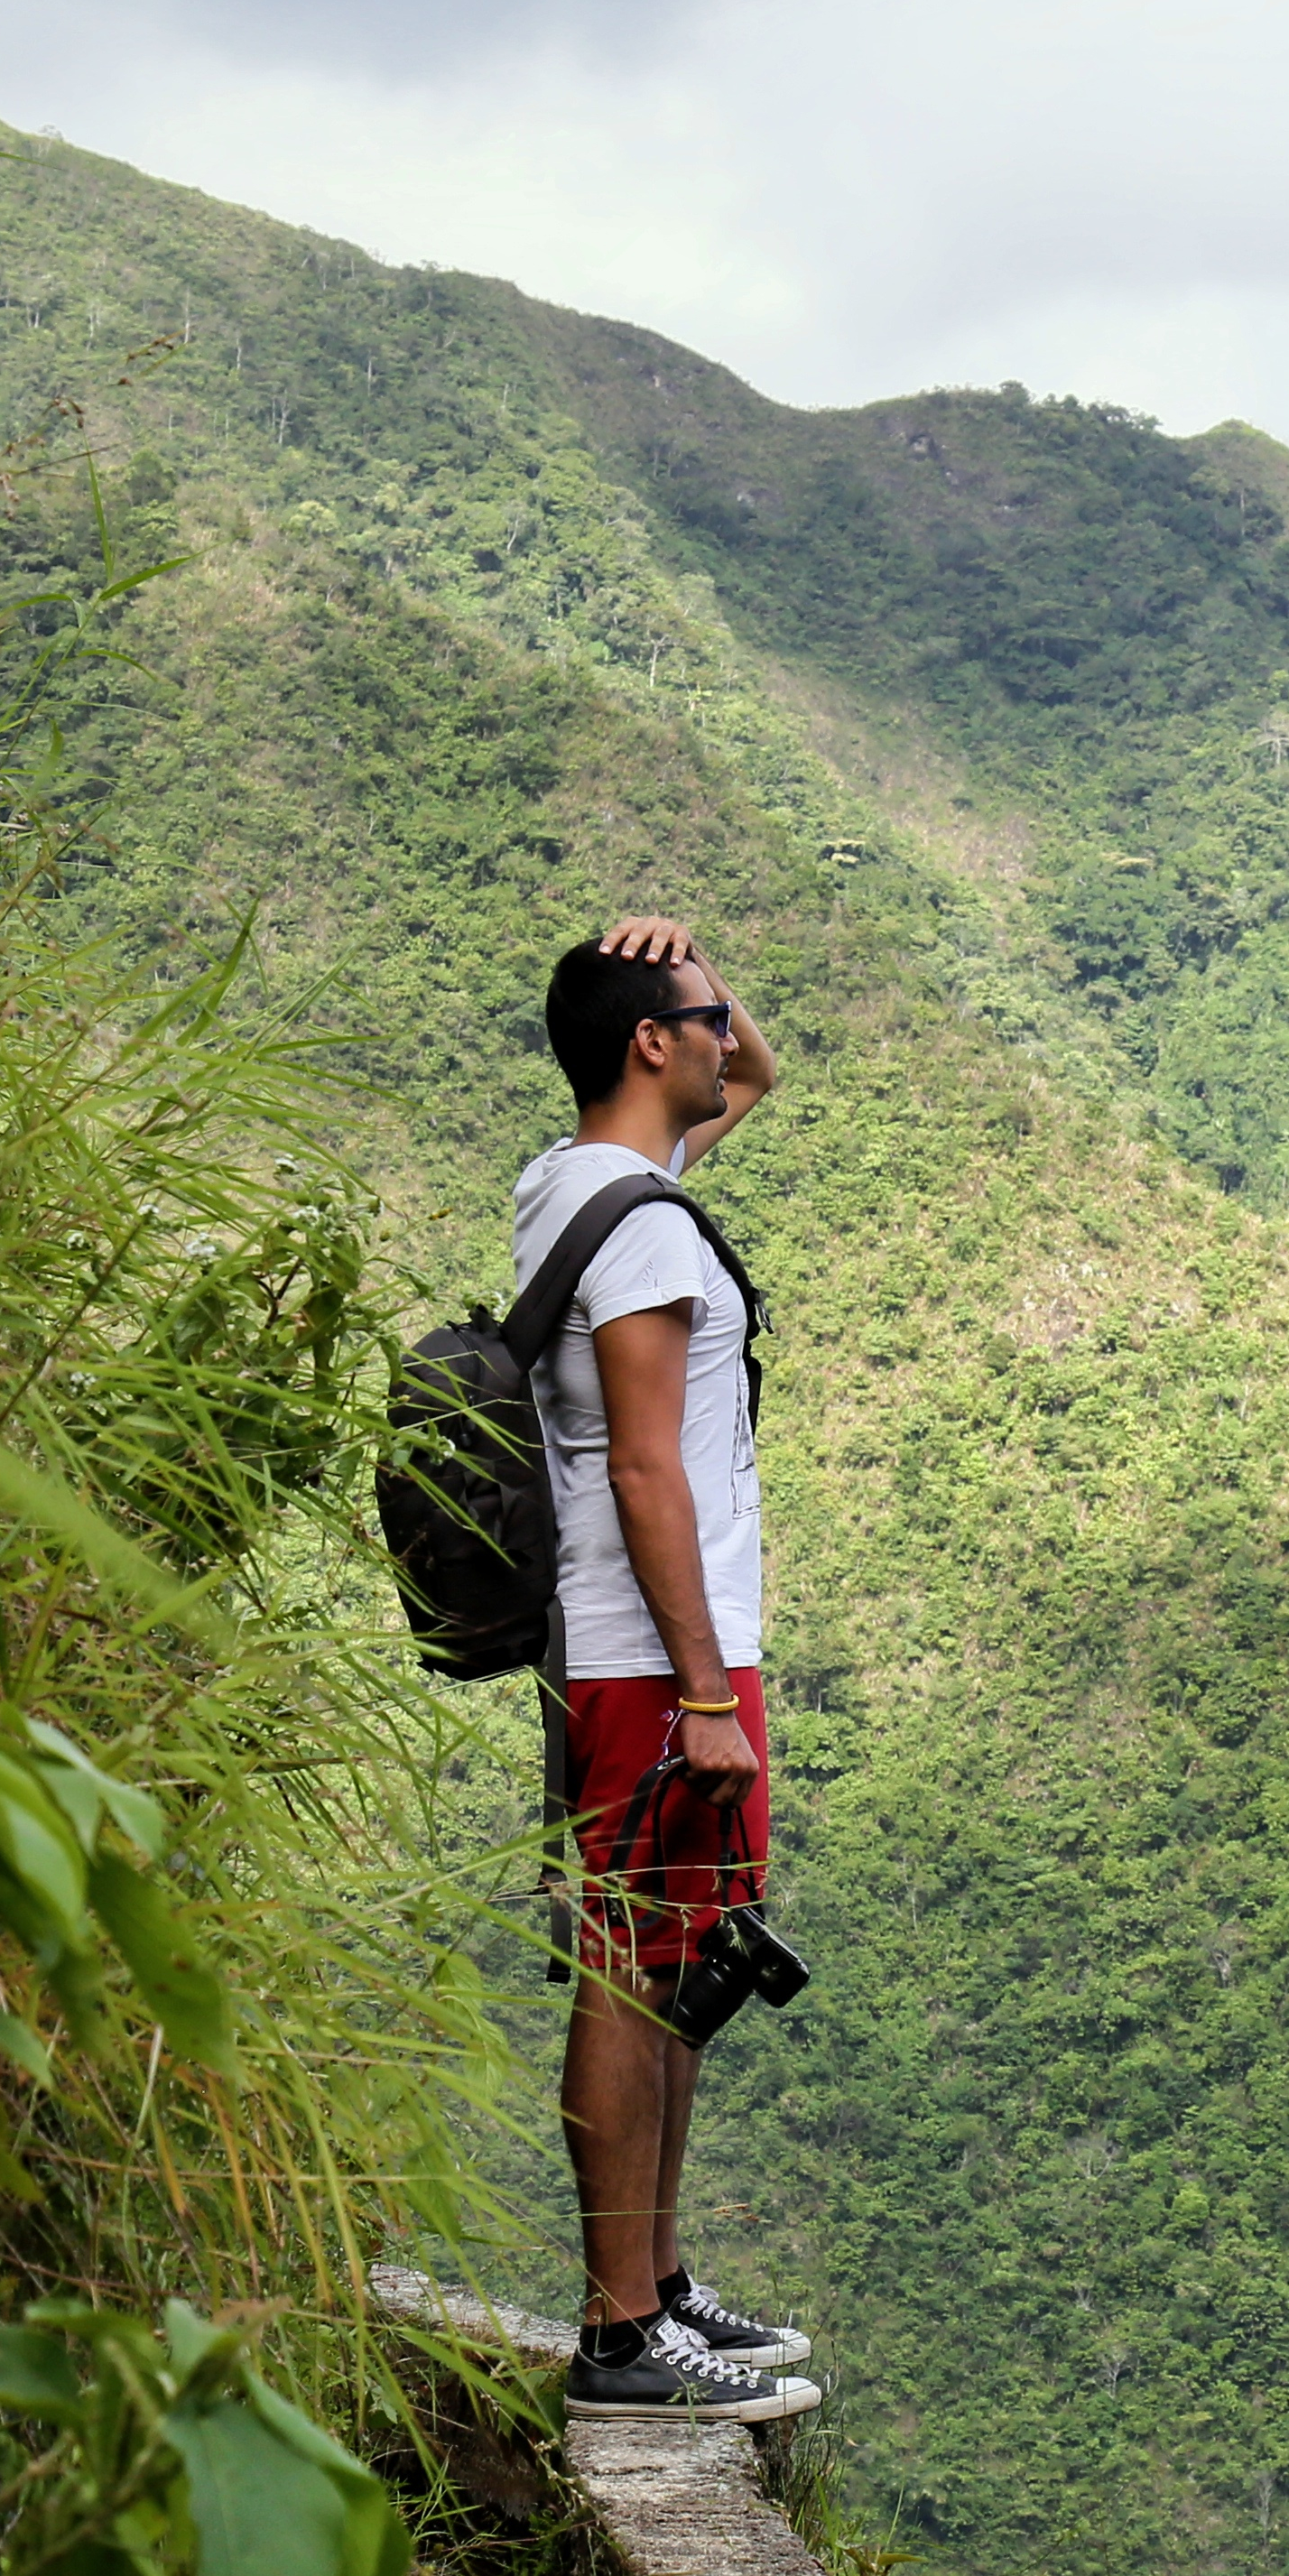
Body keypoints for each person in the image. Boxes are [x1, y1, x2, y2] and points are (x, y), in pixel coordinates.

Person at [526, 916, 822, 2423]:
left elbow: (757, 1076)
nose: (725, 1039)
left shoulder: (586, 1184)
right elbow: (646, 1469)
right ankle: (620, 2330)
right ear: (650, 1043)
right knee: (632, 1966)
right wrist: (706, 1693)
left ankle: (657, 2279)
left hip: (654, 1644)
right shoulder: (639, 1228)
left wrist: (693, 958)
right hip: (656, 1654)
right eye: (700, 1016)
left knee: (678, 1958)